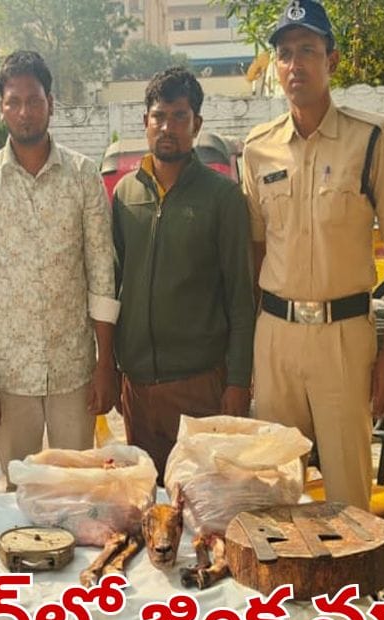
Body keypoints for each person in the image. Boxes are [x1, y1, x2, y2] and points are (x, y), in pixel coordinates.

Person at [241, 0, 384, 511]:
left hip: (344, 338)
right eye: (285, 54)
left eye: (308, 51)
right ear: (276, 67)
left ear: (331, 60)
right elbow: (256, 251)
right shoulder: (257, 148)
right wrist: (252, 350)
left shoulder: (372, 138)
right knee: (277, 493)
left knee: (349, 496)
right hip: (276, 336)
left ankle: (356, 568)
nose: (295, 64)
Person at [0, 50, 118, 487]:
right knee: (20, 493)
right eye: (14, 101)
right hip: (9, 373)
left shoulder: (83, 176)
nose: (24, 111)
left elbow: (102, 276)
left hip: (74, 368)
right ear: (1, 107)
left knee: (77, 488)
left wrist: (105, 364)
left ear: (51, 104)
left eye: (34, 100)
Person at [112, 67, 255, 481]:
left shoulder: (222, 197)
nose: (167, 127)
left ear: (197, 124)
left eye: (179, 116)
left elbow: (241, 297)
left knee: (201, 500)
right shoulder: (125, 195)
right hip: (138, 389)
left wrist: (238, 382)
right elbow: (114, 286)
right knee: (147, 500)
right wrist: (113, 368)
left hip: (200, 386)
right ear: (145, 122)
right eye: (158, 116)